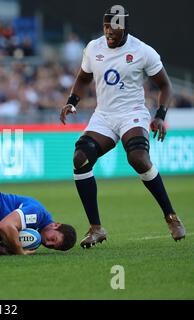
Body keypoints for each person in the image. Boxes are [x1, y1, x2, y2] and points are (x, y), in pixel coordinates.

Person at [59, 5, 186, 248]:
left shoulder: (142, 51)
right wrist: (72, 102)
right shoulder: (93, 48)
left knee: (138, 158)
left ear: (125, 28)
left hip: (133, 114)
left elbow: (166, 85)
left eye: (114, 28)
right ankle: (96, 228)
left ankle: (171, 216)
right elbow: (84, 78)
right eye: (106, 26)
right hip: (104, 116)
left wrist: (160, 115)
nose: (109, 32)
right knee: (80, 158)